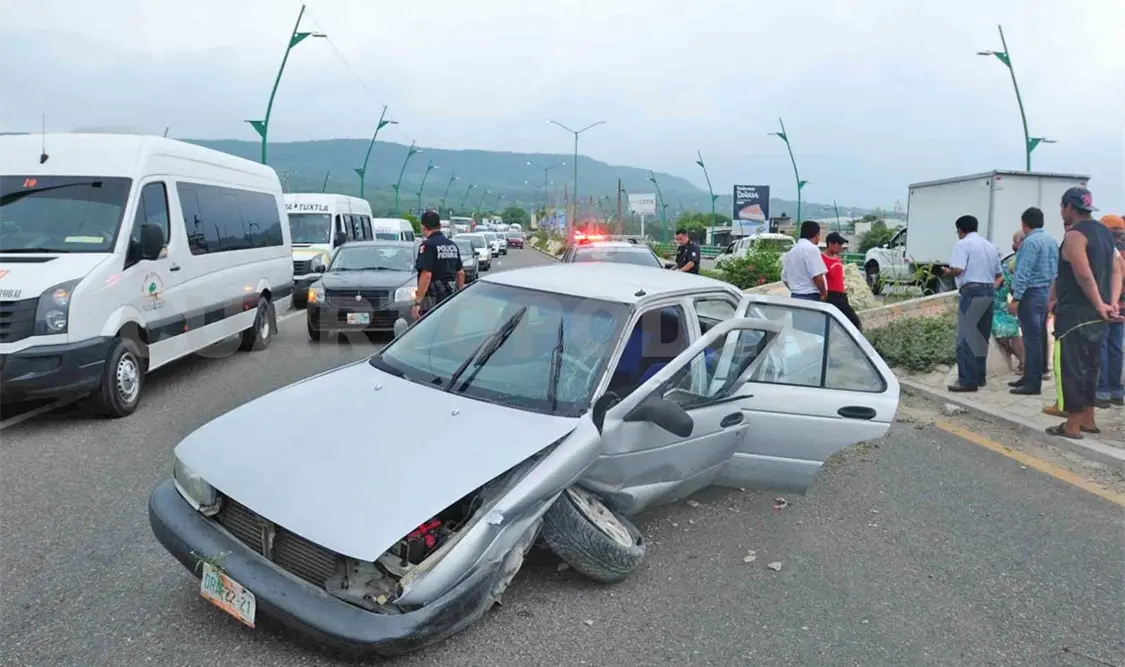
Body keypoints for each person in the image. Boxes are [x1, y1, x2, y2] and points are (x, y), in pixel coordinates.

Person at [1045, 187, 1121, 439]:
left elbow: (1082, 273)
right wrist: (1111, 303)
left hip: (1076, 313)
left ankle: (1072, 425)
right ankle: (1088, 419)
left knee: (1070, 367)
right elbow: (1116, 270)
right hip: (1096, 315)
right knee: (1091, 366)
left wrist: (1100, 303)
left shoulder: (1075, 235)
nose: (1060, 213)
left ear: (1069, 207)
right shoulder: (1104, 234)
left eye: (1061, 207)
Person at [944, 214, 1003, 392]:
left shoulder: (963, 244)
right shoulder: (990, 246)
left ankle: (966, 381)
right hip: (988, 291)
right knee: (981, 337)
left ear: (961, 230)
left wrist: (947, 271)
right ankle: (979, 377)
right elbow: (999, 274)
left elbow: (958, 269)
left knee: (967, 338)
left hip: (971, 291)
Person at [1008, 207, 1058, 395]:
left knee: (1031, 340)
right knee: (1038, 337)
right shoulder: (1051, 241)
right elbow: (1055, 271)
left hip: (1031, 294)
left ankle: (1032, 383)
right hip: (1045, 293)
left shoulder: (1030, 242)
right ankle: (1029, 376)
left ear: (1024, 223)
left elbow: (1023, 272)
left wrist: (1016, 298)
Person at [411, 211, 465, 321]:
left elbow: (426, 275)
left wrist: (417, 302)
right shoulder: (452, 245)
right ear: (439, 226)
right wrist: (458, 294)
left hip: (432, 299)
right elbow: (461, 273)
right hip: (450, 297)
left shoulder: (427, 246)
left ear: (423, 227)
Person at [1095, 213, 1125, 407]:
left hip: (1107, 305)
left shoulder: (1107, 252)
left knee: (1103, 347)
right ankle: (1117, 391)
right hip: (1121, 308)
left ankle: (1103, 391)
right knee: (1116, 348)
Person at [992, 231, 1025, 374]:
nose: (1013, 244)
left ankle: (1024, 362)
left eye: (1015, 241)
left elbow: (1009, 282)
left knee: (1010, 331)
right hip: (1000, 303)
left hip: (1004, 304)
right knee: (1008, 332)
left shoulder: (1016, 261)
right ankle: (1023, 361)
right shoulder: (1011, 260)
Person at [821, 232, 862, 330]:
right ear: (830, 244)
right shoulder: (821, 258)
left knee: (853, 321)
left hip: (841, 295)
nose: (841, 247)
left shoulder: (837, 258)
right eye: (838, 244)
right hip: (831, 295)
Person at [781, 221, 827, 302]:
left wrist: (796, 290)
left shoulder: (791, 252)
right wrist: (824, 293)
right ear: (817, 235)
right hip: (811, 296)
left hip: (795, 296)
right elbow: (817, 277)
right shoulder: (812, 249)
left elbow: (784, 278)